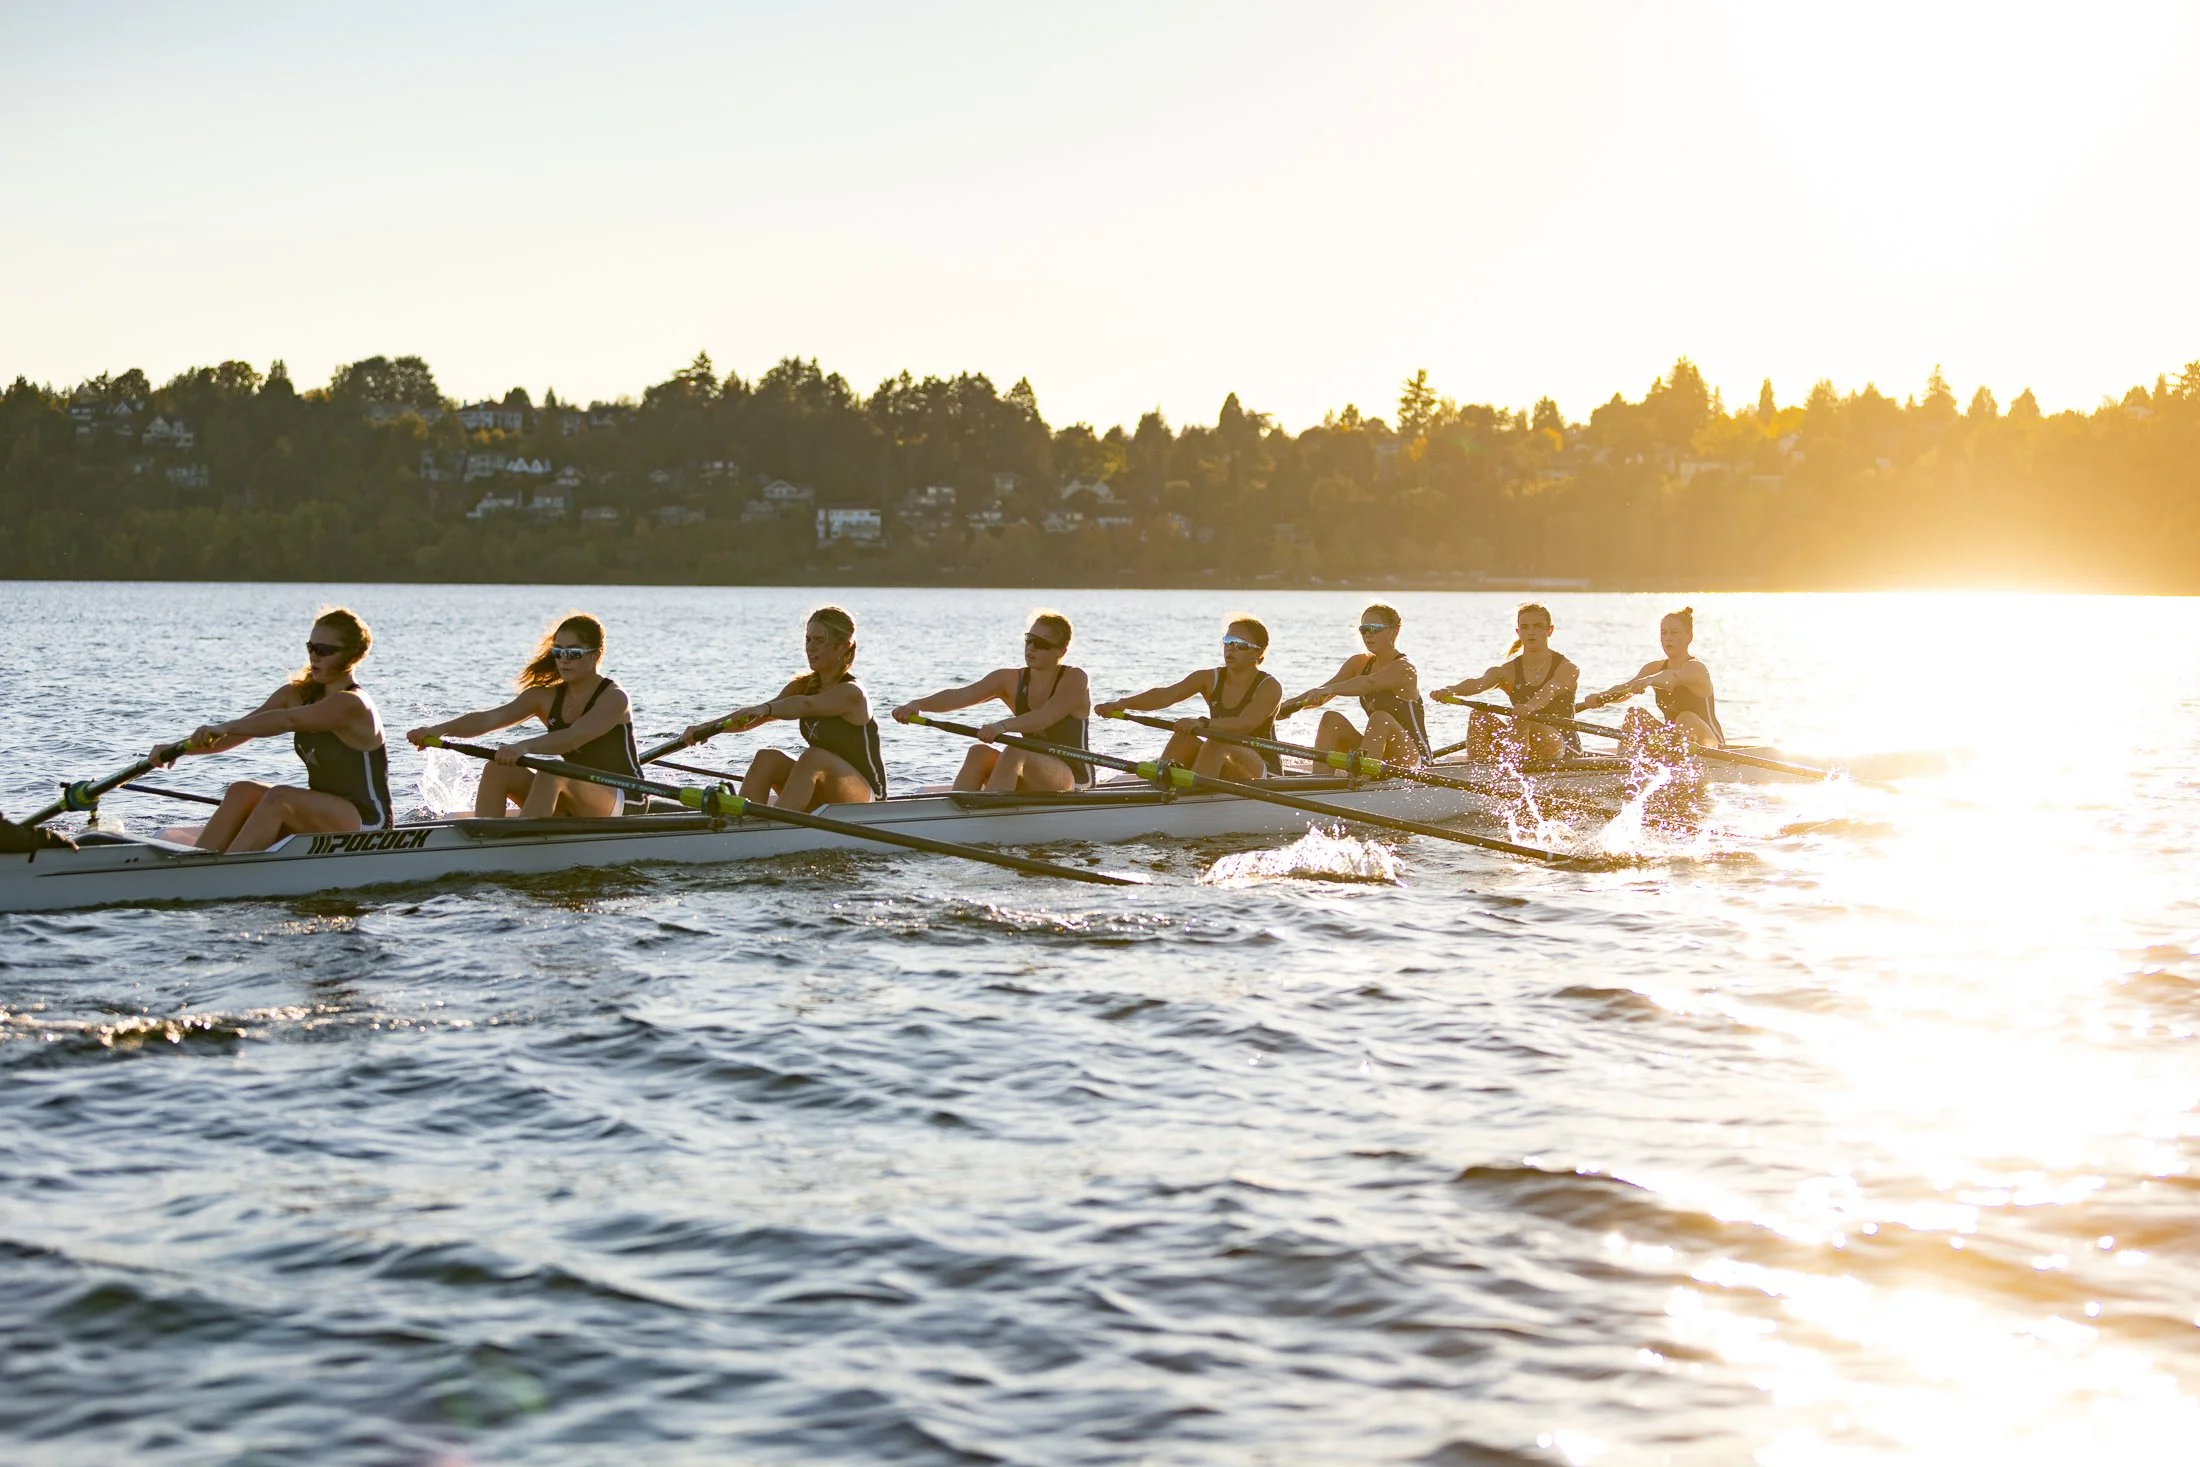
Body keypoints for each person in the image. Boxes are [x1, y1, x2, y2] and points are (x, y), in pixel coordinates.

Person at [154, 607, 394, 852]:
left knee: (280, 798)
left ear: (352, 655)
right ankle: (199, 861)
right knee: (242, 791)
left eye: (324, 650)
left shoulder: (353, 704)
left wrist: (223, 726)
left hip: (367, 824)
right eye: (311, 647)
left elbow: (287, 721)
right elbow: (238, 733)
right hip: (323, 811)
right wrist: (177, 750)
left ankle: (227, 872)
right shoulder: (295, 694)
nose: (314, 656)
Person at [406, 613, 637, 818]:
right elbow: (488, 719)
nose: (563, 659)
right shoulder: (543, 698)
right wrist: (438, 730)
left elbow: (573, 737)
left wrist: (523, 747)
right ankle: (486, 842)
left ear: (595, 655)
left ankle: (523, 851)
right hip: (571, 787)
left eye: (573, 653)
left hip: (623, 796)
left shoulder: (614, 698)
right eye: (558, 652)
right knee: (496, 768)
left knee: (551, 773)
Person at [684, 605, 885, 810]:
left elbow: (805, 705)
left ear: (843, 646)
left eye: (819, 640)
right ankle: (739, 826)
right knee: (767, 757)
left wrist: (765, 708)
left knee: (813, 756)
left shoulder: (852, 693)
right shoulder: (802, 686)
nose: (810, 647)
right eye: (808, 639)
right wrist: (706, 728)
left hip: (866, 798)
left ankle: (775, 827)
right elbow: (753, 718)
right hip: (822, 790)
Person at [891, 611, 1092, 791]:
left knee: (1016, 750)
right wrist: (917, 704)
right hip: (1030, 766)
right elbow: (961, 695)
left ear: (1061, 651)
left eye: (1041, 644)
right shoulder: (1008, 679)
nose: (1031, 648)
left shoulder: (1075, 678)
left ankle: (989, 822)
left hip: (1072, 775)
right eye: (1029, 639)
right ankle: (958, 819)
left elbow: (1047, 716)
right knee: (978, 752)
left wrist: (1002, 726)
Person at [1094, 615, 1282, 779]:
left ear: (1257, 652)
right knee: (1182, 737)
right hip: (1220, 757)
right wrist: (1123, 703)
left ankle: (1185, 799)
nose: (1230, 648)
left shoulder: (1269, 686)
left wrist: (1202, 723)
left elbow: (1244, 724)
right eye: (1227, 641)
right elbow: (1164, 696)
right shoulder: (1208, 678)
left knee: (1216, 742)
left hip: (1261, 766)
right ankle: (1162, 792)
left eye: (1239, 644)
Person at [1276, 603, 1431, 764]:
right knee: (1331, 720)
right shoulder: (1359, 663)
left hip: (1414, 760)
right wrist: (1279, 710)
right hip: (1379, 756)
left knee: (1380, 718)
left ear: (1394, 631)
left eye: (1374, 628)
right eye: (1363, 629)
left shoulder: (1405, 667)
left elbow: (1368, 683)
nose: (1367, 635)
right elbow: (1321, 693)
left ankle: (1363, 779)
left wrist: (1328, 689)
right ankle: (1320, 781)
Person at [1431, 602, 1580, 766]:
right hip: (1521, 739)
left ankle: (1512, 778)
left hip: (1563, 746)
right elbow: (1478, 684)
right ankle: (1478, 775)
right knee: (1479, 715)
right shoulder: (1508, 671)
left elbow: (1550, 690)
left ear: (1549, 630)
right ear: (1518, 632)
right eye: (1525, 627)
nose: (1531, 632)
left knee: (1522, 718)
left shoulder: (1567, 668)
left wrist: (1529, 707)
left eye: (1538, 626)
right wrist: (1449, 690)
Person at [1581, 605, 1726, 749]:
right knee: (1635, 715)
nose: (1668, 638)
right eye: (1664, 633)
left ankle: (1678, 759)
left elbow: (1672, 678)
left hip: (1711, 744)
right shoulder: (1653, 668)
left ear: (1689, 637)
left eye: (1674, 632)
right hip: (1676, 741)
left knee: (1685, 717)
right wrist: (1600, 697)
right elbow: (1626, 689)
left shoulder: (1696, 668)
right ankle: (1624, 762)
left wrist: (1649, 680)